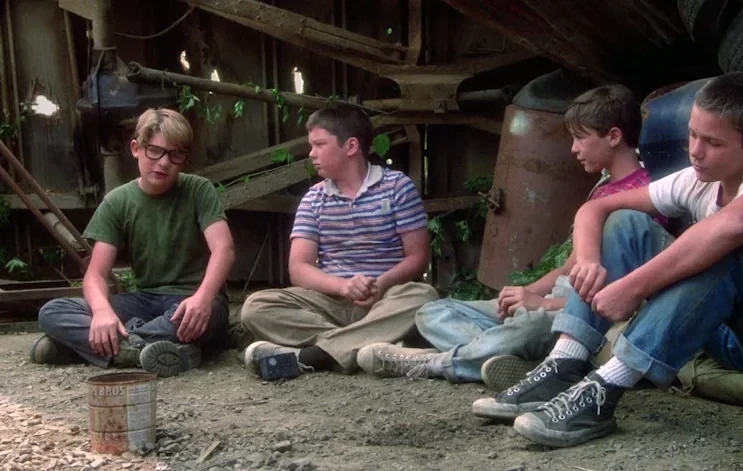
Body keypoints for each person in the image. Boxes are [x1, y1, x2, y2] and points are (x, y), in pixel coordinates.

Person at [472, 72, 743, 449]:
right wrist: (588, 261)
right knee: (627, 221)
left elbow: (734, 228)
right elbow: (596, 209)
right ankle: (564, 363)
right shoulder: (697, 178)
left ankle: (603, 390)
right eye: (693, 134)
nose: (695, 151)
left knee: (728, 249)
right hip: (736, 338)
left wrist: (633, 287)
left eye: (712, 142)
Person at [355, 85, 666, 389]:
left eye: (581, 138)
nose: (573, 148)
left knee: (531, 326)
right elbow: (569, 268)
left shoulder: (646, 200)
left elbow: (619, 299)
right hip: (550, 302)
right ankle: (517, 363)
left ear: (613, 136)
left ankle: (436, 363)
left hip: (577, 316)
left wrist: (544, 305)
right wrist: (524, 293)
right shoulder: (603, 189)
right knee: (434, 312)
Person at [32, 108, 235, 377]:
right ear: (136, 148)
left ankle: (88, 347)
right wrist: (102, 312)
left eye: (175, 155)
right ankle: (152, 349)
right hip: (145, 300)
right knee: (53, 311)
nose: (164, 162)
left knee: (193, 320)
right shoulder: (117, 201)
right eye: (155, 151)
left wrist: (203, 298)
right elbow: (96, 275)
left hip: (192, 299)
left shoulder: (199, 189)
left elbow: (224, 249)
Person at [240, 104, 438, 378]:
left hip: (387, 298)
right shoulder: (313, 199)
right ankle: (371, 344)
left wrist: (380, 284)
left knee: (424, 297)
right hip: (330, 303)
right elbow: (298, 268)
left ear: (351, 146)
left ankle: (312, 356)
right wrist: (343, 287)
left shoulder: (397, 187)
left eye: (319, 144)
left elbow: (418, 258)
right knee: (255, 307)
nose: (312, 153)